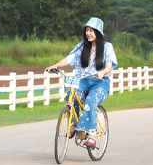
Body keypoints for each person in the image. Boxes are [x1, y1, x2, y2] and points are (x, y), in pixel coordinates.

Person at [45, 17, 118, 149]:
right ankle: (74, 123)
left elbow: (109, 66)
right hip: (83, 80)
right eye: (87, 30)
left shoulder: (107, 47)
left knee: (91, 100)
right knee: (72, 96)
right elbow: (68, 59)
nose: (88, 33)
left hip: (100, 82)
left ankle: (92, 135)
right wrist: (54, 66)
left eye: (91, 31)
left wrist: (102, 73)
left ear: (98, 32)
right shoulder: (81, 46)